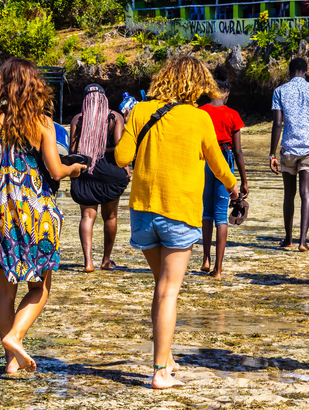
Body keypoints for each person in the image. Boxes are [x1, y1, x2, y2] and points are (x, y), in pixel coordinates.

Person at [115, 57, 238, 389]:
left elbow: (121, 157)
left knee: (161, 287)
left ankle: (166, 356)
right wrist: (234, 186)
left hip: (143, 212)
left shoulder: (140, 110)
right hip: (179, 212)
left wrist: (130, 125)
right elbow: (216, 163)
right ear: (197, 85)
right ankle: (159, 371)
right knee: (169, 292)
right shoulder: (198, 118)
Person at [0, 58, 85, 374]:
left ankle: (10, 362)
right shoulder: (44, 124)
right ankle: (15, 337)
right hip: (39, 213)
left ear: (2, 86)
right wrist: (74, 168)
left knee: (6, 289)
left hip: (3, 210)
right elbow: (55, 170)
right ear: (35, 86)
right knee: (39, 288)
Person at [269, 57, 309, 251]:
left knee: (289, 194)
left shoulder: (280, 91)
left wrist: (272, 154)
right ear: (306, 71)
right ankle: (303, 241)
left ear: (289, 71)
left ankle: (288, 238)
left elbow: (278, 123)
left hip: (288, 148)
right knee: (306, 193)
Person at [69, 84, 129, 272]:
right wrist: (126, 169)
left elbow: (72, 150)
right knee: (110, 217)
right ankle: (106, 260)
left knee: (87, 216)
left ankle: (88, 262)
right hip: (110, 171)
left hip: (87, 170)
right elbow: (120, 148)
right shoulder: (115, 117)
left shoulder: (78, 119)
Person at [198, 73, 249, 278]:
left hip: (204, 162)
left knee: (206, 213)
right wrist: (244, 181)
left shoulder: (200, 112)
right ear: (226, 93)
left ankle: (206, 259)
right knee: (221, 215)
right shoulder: (232, 114)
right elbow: (238, 151)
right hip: (224, 159)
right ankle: (218, 269)